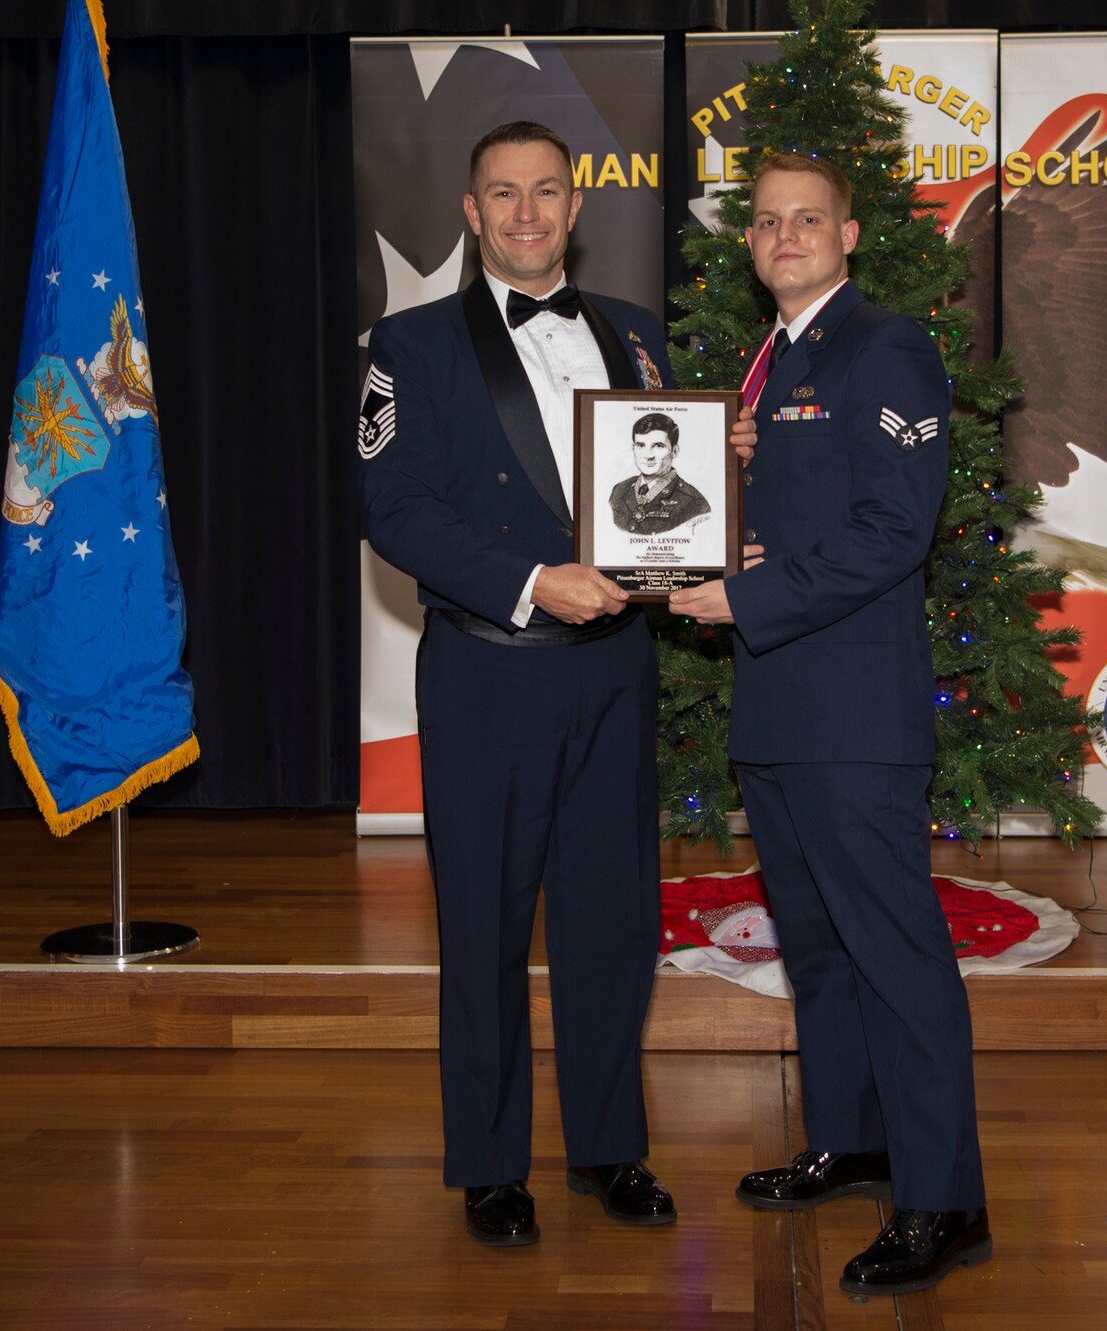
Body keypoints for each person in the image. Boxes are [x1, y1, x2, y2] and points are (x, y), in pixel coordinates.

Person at [358, 121, 752, 1249]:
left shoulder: (635, 336)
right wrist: (530, 578)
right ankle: (488, 1164)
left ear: (576, 209)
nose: (527, 212)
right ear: (471, 214)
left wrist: (725, 480)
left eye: (546, 192)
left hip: (616, 671)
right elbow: (394, 509)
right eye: (503, 194)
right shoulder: (412, 342)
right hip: (491, 669)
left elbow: (657, 492)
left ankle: (607, 1147)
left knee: (609, 920)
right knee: (482, 926)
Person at [668, 152, 991, 1296]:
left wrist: (745, 592)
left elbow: (891, 531)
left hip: (852, 713)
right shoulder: (768, 368)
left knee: (894, 953)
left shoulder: (883, 347)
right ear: (748, 245)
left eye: (808, 218)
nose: (785, 234)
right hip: (779, 707)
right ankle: (856, 1138)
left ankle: (942, 1194)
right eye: (765, 221)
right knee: (819, 951)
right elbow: (802, 519)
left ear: (847, 236)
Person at [608, 412, 711, 535]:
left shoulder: (694, 502)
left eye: (658, 446)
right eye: (641, 445)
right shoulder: (619, 490)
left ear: (674, 451)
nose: (648, 456)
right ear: (633, 448)